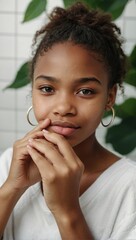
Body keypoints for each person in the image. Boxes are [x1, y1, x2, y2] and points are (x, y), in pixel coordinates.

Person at [0, 2, 136, 240]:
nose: (63, 108)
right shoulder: (11, 163)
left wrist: (67, 210)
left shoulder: (130, 189)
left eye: (85, 91)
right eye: (47, 88)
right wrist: (12, 188)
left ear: (109, 97)